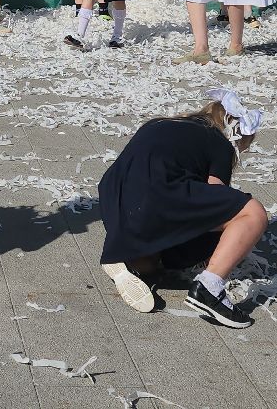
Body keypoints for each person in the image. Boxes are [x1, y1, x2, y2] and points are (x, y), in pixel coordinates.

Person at [97, 88, 267, 328]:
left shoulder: (161, 123)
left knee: (151, 264)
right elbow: (215, 198)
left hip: (116, 202)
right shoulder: (220, 143)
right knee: (252, 213)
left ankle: (130, 259)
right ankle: (210, 288)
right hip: (158, 196)